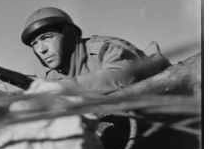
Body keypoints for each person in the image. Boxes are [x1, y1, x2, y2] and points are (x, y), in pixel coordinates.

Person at [20, 7, 167, 95]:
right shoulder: (54, 76)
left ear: (69, 35)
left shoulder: (105, 49)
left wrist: (58, 89)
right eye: (34, 44)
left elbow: (121, 77)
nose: (41, 49)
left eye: (47, 38)